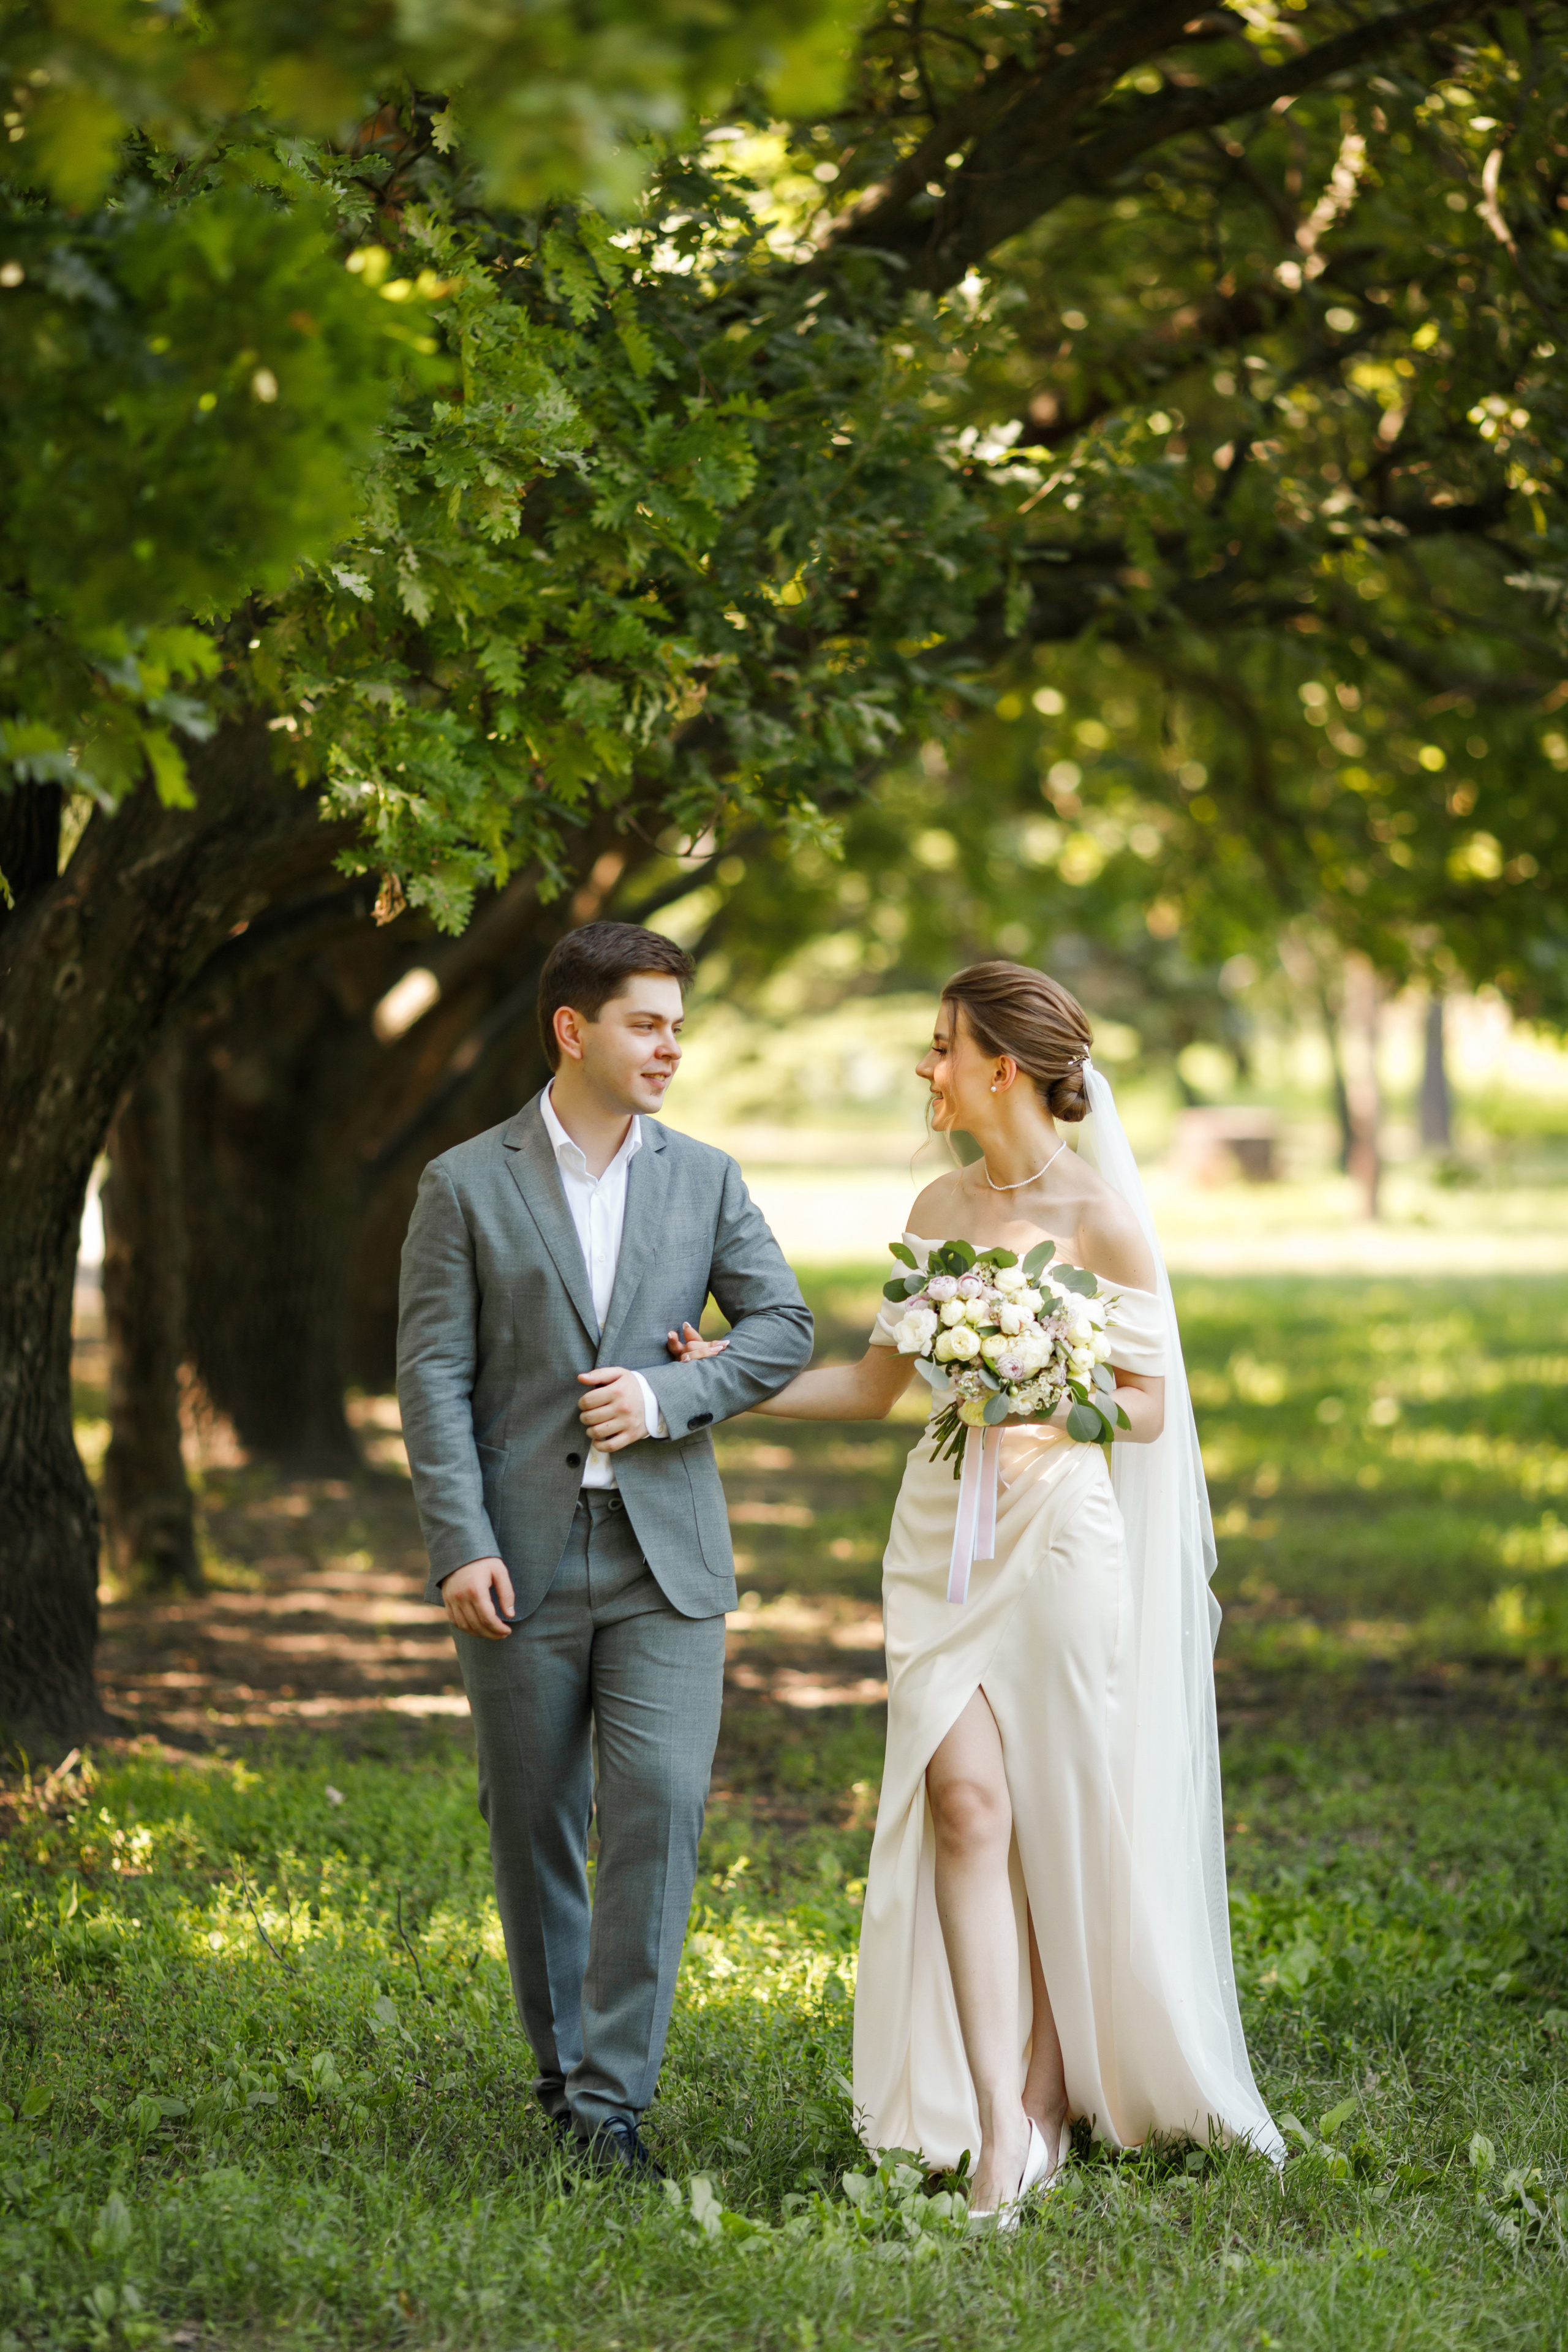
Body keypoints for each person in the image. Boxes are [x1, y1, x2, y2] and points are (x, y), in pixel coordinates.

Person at [717, 960, 1283, 2220]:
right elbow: (875, 1390)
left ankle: (1044, 2108)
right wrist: (718, 1385)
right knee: (963, 1804)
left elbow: (1142, 1411)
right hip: (940, 1540)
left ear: (1001, 1068)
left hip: (1059, 1536)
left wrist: (1040, 1383)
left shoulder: (1101, 1220)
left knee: (1055, 1814)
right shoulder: (933, 1200)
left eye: (938, 1047)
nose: (925, 1069)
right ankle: (989, 2118)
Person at [396, 921, 813, 2177]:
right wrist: (457, 1543)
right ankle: (560, 2073)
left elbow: (782, 1326)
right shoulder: (463, 1184)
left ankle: (611, 2100)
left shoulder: (707, 1179)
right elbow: (433, 1375)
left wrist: (671, 1396)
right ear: (572, 1030)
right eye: (646, 1023)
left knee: (662, 1808)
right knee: (533, 1821)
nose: (670, 1048)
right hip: (517, 1557)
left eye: (678, 1025)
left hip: (664, 1557)